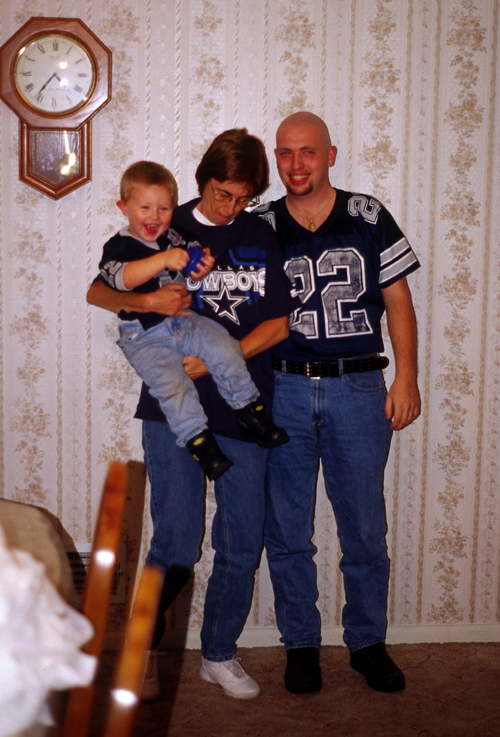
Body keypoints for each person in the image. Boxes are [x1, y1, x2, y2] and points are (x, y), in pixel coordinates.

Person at [87, 129, 298, 701]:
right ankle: (144, 651)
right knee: (177, 539)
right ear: (203, 177)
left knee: (240, 539)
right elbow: (100, 290)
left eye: (243, 197)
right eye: (222, 192)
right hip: (170, 410)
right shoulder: (163, 223)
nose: (231, 207)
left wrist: (219, 361)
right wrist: (149, 301)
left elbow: (279, 323)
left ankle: (219, 653)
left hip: (244, 404)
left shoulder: (261, 233)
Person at [256, 111, 421, 695]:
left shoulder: (367, 214)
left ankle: (368, 642)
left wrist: (407, 379)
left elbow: (398, 302)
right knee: (288, 529)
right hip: (285, 388)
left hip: (357, 386)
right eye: (284, 153)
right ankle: (301, 644)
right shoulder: (260, 224)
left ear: (330, 153)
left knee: (364, 527)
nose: (295, 164)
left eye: (307, 152)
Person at [99, 161, 288, 481]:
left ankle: (251, 413)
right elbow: (119, 281)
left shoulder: (175, 234)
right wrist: (161, 263)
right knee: (173, 387)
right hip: (143, 333)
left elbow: (192, 261)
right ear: (124, 208)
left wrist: (200, 265)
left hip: (183, 321)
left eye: (162, 209)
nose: (154, 216)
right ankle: (200, 444)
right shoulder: (119, 245)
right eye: (145, 208)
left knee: (224, 345)